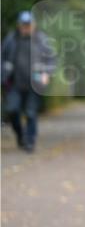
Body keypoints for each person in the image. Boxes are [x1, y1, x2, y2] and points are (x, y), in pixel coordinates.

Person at [2, 11, 55, 153]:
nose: (26, 27)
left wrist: (47, 73)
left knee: (31, 113)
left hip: (34, 84)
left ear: (34, 25)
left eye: (29, 25)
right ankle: (20, 135)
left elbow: (51, 59)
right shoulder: (11, 39)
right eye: (23, 25)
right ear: (19, 25)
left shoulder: (42, 40)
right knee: (12, 110)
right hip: (14, 84)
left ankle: (30, 141)